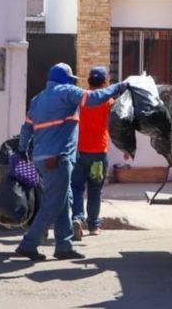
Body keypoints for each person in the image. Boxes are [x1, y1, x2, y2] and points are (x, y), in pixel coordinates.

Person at [14, 63, 127, 261]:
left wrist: (22, 150)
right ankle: (28, 244)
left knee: (64, 200)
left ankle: (64, 246)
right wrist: (118, 87)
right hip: (57, 158)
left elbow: (26, 128)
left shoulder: (38, 99)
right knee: (54, 203)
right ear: (65, 79)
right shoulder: (65, 91)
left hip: (42, 157)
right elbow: (92, 98)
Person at [71, 66, 114, 238]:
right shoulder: (108, 101)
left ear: (88, 81)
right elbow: (114, 124)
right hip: (99, 153)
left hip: (79, 152)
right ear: (104, 82)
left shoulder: (81, 98)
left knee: (76, 188)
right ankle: (94, 226)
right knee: (95, 190)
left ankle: (77, 219)